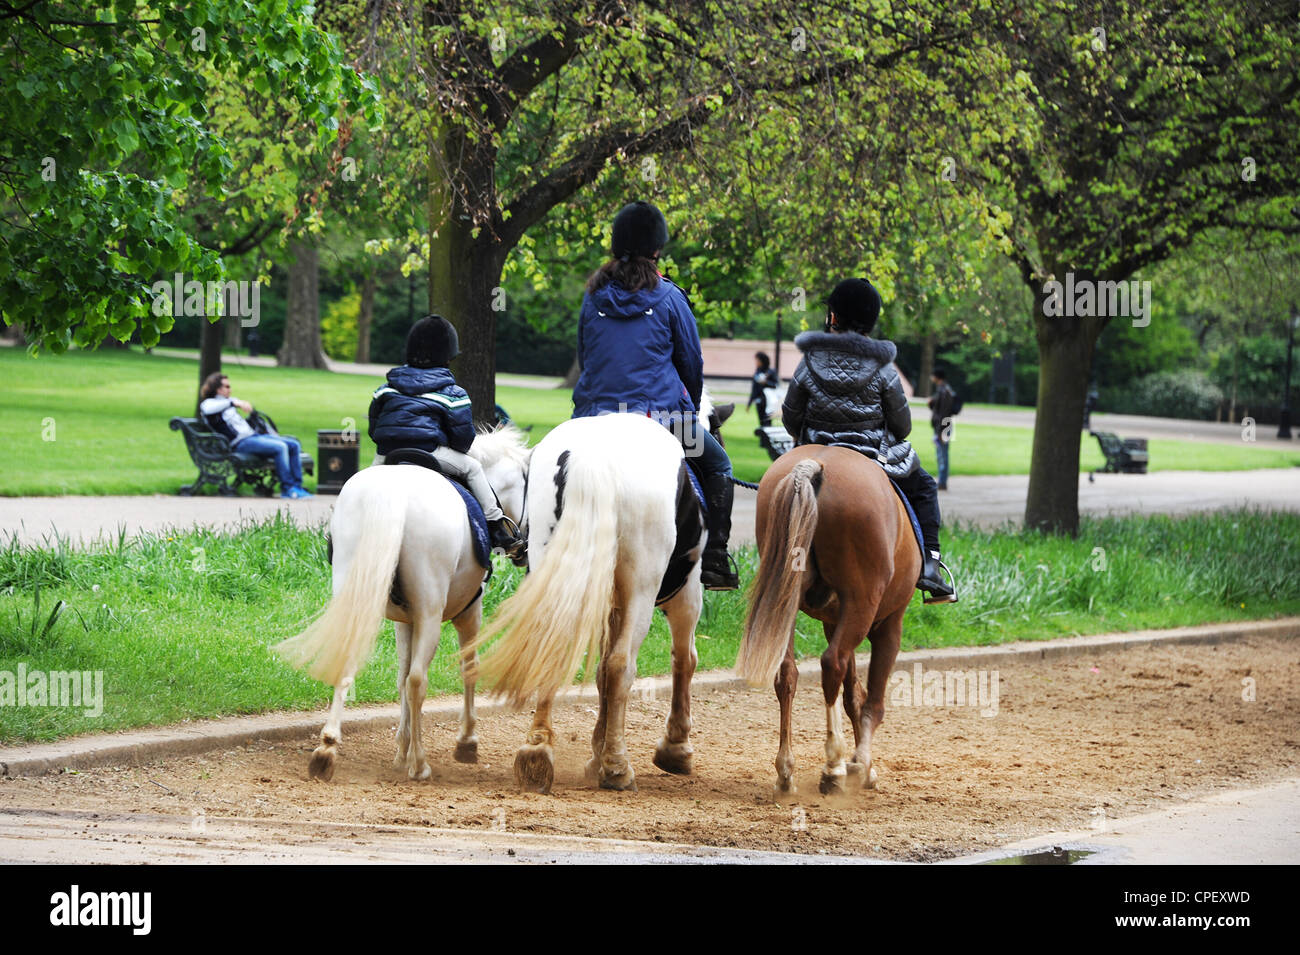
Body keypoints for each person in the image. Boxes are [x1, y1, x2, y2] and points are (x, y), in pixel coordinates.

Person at [572, 200, 739, 590]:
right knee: (719, 467)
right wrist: (690, 406)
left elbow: (585, 357)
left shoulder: (593, 297)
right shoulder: (670, 297)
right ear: (657, 249)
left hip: (592, 417)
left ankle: (532, 544)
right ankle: (715, 557)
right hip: (661, 418)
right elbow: (691, 364)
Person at [780, 278, 956, 603]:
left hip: (815, 450)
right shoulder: (884, 369)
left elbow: (790, 418)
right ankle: (931, 566)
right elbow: (902, 426)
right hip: (872, 455)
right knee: (925, 486)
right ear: (871, 322)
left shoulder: (807, 363)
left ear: (832, 317)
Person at [369, 315, 524, 559]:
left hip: (387, 453)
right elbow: (463, 440)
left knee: (363, 484)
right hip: (430, 452)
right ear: (448, 356)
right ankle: (498, 528)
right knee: (473, 468)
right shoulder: (453, 393)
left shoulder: (386, 388)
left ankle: (335, 531)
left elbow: (374, 426)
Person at [198, 372, 313, 499]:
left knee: (293, 444)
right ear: (217, 389)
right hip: (240, 444)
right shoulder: (209, 403)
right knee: (280, 447)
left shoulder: (228, 402)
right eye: (227, 386)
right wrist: (234, 402)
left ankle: (297, 487)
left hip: (254, 437)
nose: (230, 389)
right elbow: (207, 409)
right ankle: (287, 488)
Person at [928, 367, 956, 490]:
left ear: (937, 377)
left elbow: (944, 413)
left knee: (943, 454)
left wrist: (940, 431)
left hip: (944, 425)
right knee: (941, 454)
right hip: (945, 424)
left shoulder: (944, 391)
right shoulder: (943, 390)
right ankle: (942, 480)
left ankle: (942, 482)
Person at [747, 352, 780, 428]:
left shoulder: (771, 372)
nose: (756, 362)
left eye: (757, 360)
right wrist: (749, 403)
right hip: (759, 401)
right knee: (761, 421)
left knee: (767, 421)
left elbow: (776, 385)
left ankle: (767, 439)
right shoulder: (757, 372)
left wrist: (766, 383)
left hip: (768, 401)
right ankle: (763, 438)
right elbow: (754, 389)